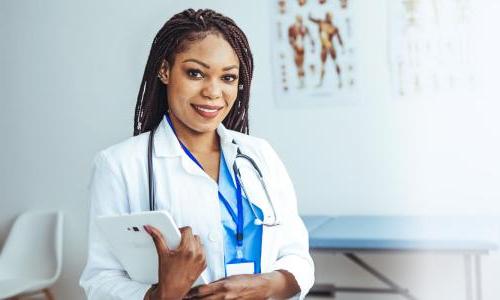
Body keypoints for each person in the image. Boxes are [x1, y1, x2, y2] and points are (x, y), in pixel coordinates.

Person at [80, 8, 314, 300]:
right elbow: (99, 281)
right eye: (196, 73)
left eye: (227, 78)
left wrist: (270, 285)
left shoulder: (259, 154)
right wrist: (164, 293)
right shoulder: (119, 165)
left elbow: (297, 257)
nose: (213, 92)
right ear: (164, 70)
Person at [309, 12, 344, 88]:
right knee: (323, 65)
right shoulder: (321, 23)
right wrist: (310, 16)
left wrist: (342, 46)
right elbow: (313, 20)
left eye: (330, 17)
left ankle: (340, 80)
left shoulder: (333, 27)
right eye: (328, 17)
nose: (329, 18)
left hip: (330, 47)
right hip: (324, 47)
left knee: (335, 62)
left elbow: (339, 37)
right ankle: (320, 82)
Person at [288, 15, 314, 89]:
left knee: (301, 66)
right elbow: (290, 38)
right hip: (295, 48)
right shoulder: (292, 28)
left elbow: (309, 37)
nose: (299, 22)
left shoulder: (304, 28)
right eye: (298, 20)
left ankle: (302, 82)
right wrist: (293, 44)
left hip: (301, 49)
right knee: (298, 66)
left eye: (300, 20)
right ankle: (301, 81)